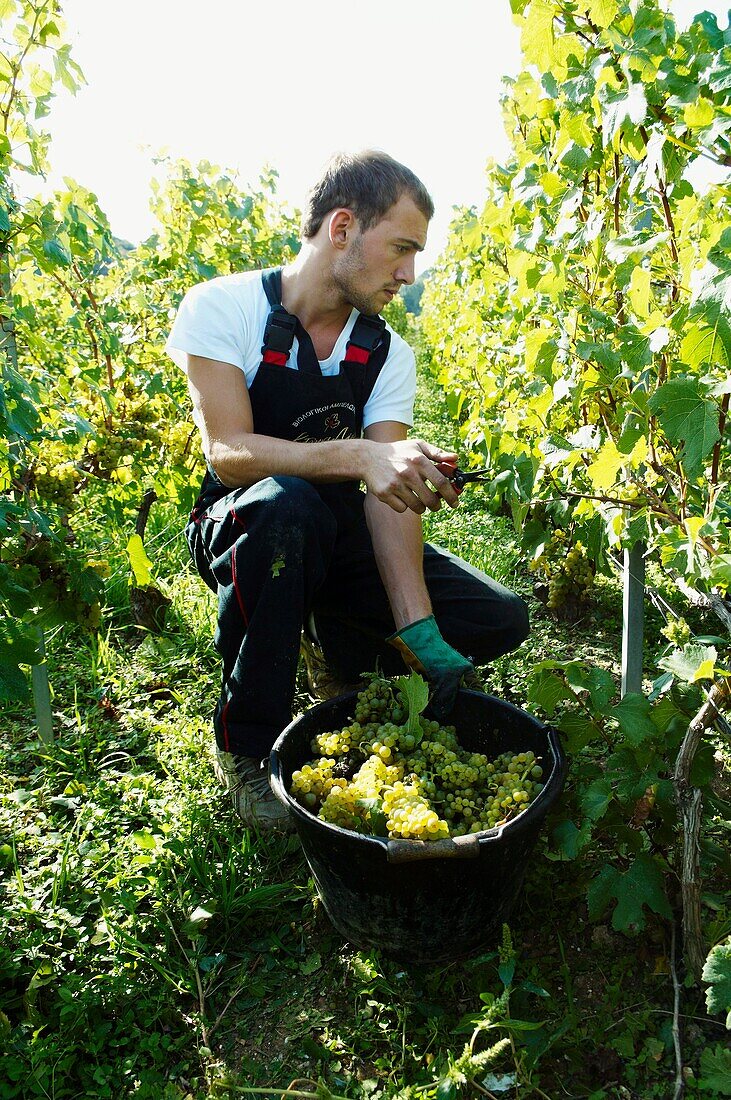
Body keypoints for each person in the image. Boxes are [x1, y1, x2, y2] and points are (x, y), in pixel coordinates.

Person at [165, 150, 529, 831]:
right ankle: (244, 742)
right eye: (400, 249)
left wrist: (418, 627)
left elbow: (382, 496)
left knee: (497, 619)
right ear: (341, 228)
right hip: (249, 528)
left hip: (342, 541)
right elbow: (229, 453)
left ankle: (339, 649)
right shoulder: (224, 308)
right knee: (286, 508)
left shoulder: (385, 351)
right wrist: (362, 451)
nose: (407, 273)